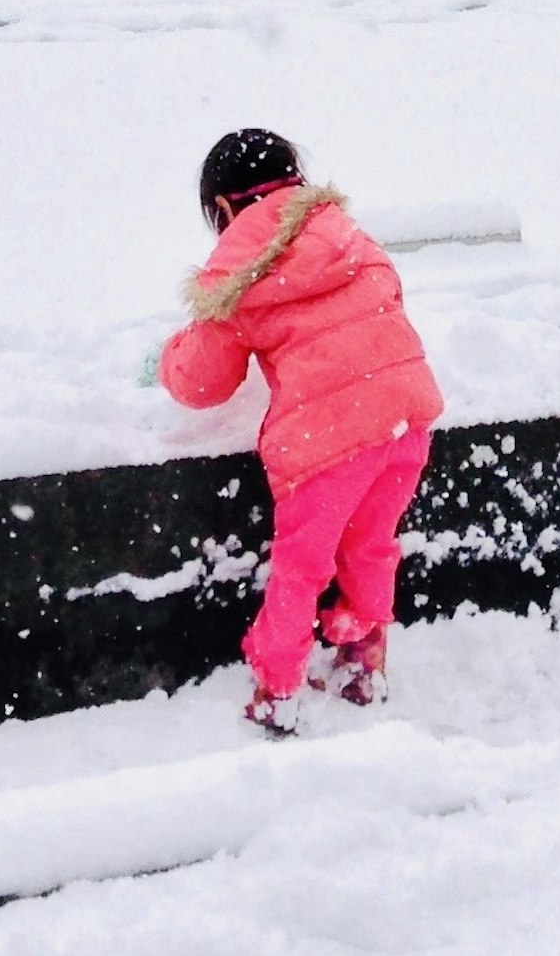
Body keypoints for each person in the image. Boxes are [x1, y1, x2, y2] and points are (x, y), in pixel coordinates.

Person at [160, 127, 444, 734]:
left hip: (328, 441)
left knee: (302, 567)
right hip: (406, 418)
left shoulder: (237, 270)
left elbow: (202, 382)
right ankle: (365, 664)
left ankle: (278, 689)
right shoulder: (347, 233)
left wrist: (168, 355)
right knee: (371, 545)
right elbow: (385, 296)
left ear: (223, 208)